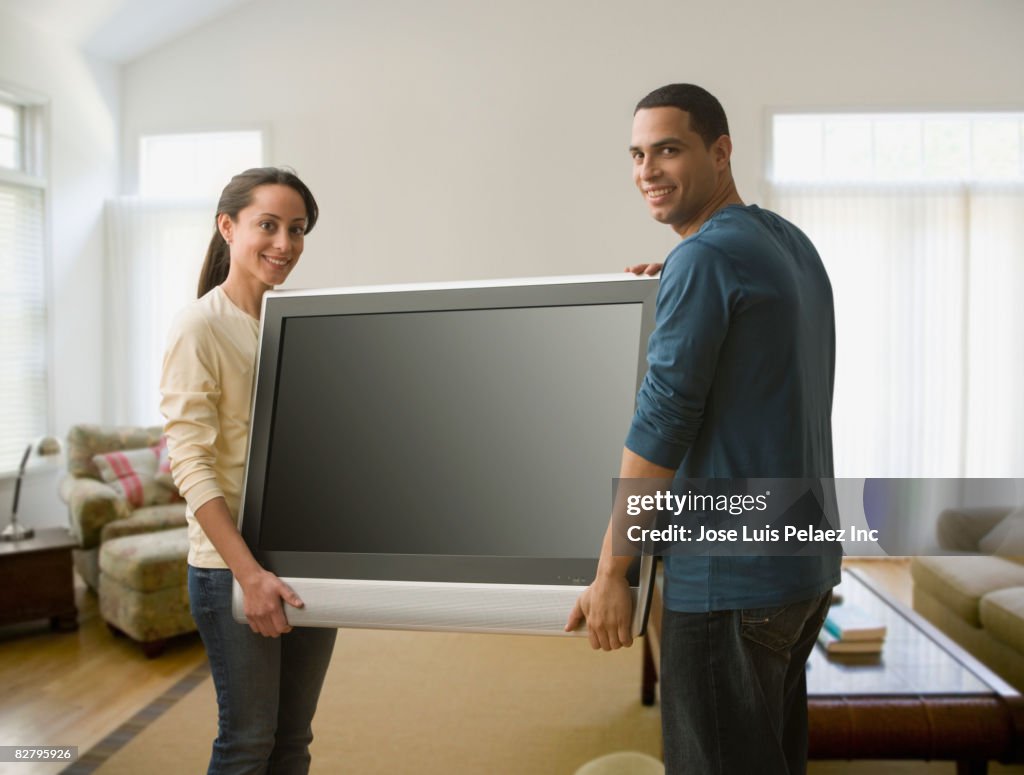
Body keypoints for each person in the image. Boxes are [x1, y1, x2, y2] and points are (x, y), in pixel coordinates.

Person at [566, 84, 841, 774]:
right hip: (799, 563)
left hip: (731, 578)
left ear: (720, 151)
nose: (647, 170)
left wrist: (611, 572)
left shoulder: (708, 259)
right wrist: (683, 280)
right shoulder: (785, 243)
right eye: (637, 153)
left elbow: (661, 423)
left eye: (669, 149)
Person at [161, 167, 337, 774]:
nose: (285, 244)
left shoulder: (300, 320)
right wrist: (250, 576)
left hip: (307, 558)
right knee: (247, 743)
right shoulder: (200, 328)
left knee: (293, 742)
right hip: (232, 569)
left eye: (297, 229)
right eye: (269, 225)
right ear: (227, 226)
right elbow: (190, 463)